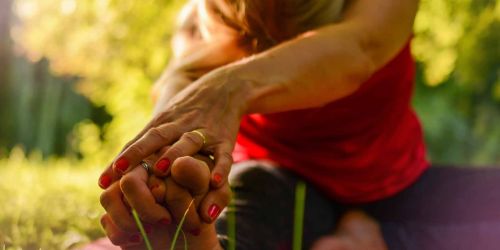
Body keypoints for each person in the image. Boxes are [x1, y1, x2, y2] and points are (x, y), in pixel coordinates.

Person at [96, 0, 500, 249]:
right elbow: (177, 89)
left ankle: (380, 240)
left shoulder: (382, 9)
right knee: (246, 205)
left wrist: (227, 87)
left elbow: (358, 49)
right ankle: (203, 243)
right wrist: (158, 168)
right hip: (279, 178)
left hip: (397, 184)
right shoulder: (203, 22)